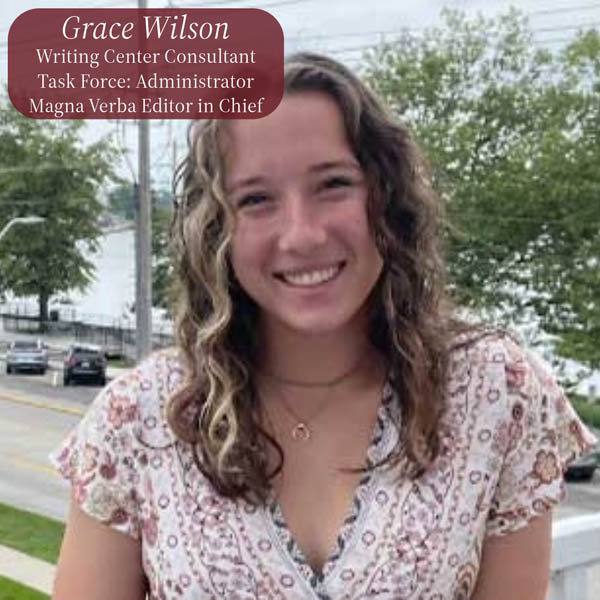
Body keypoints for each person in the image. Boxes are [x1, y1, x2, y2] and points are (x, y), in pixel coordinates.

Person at [51, 53, 596, 600]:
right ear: (215, 228)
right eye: (256, 199)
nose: (302, 235)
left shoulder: (496, 394)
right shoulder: (139, 418)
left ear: (387, 197)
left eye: (333, 184)